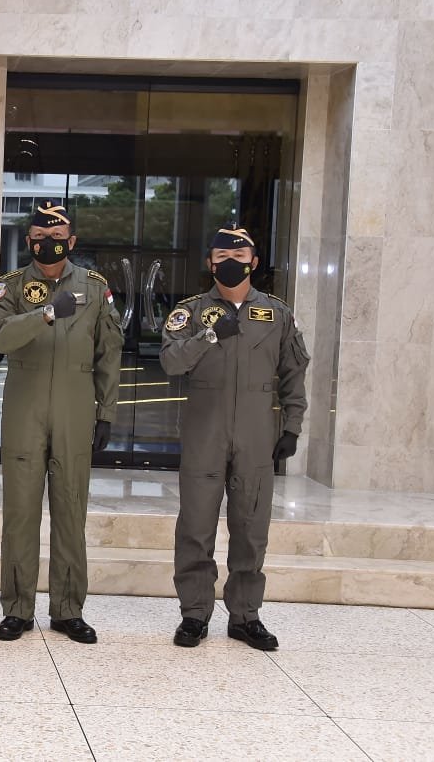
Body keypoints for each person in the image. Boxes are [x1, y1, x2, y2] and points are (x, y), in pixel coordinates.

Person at [160, 224, 310, 651]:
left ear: (254, 262)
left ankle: (245, 616)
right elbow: (171, 362)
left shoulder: (276, 314)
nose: (230, 264)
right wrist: (208, 336)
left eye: (239, 258)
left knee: (251, 527)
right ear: (210, 263)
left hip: (257, 434)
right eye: (222, 258)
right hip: (205, 432)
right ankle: (194, 614)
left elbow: (294, 374)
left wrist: (292, 426)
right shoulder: (190, 312)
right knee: (196, 525)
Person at [0, 202, 123, 643]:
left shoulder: (94, 287)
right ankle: (17, 609)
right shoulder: (10, 286)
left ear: (72, 241)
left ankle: (67, 610)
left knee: (70, 510)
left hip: (75, 404)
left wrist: (106, 412)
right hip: (25, 406)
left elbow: (109, 352)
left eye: (58, 237)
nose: (49, 243)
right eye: (41, 237)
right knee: (20, 513)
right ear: (29, 241)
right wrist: (44, 313)